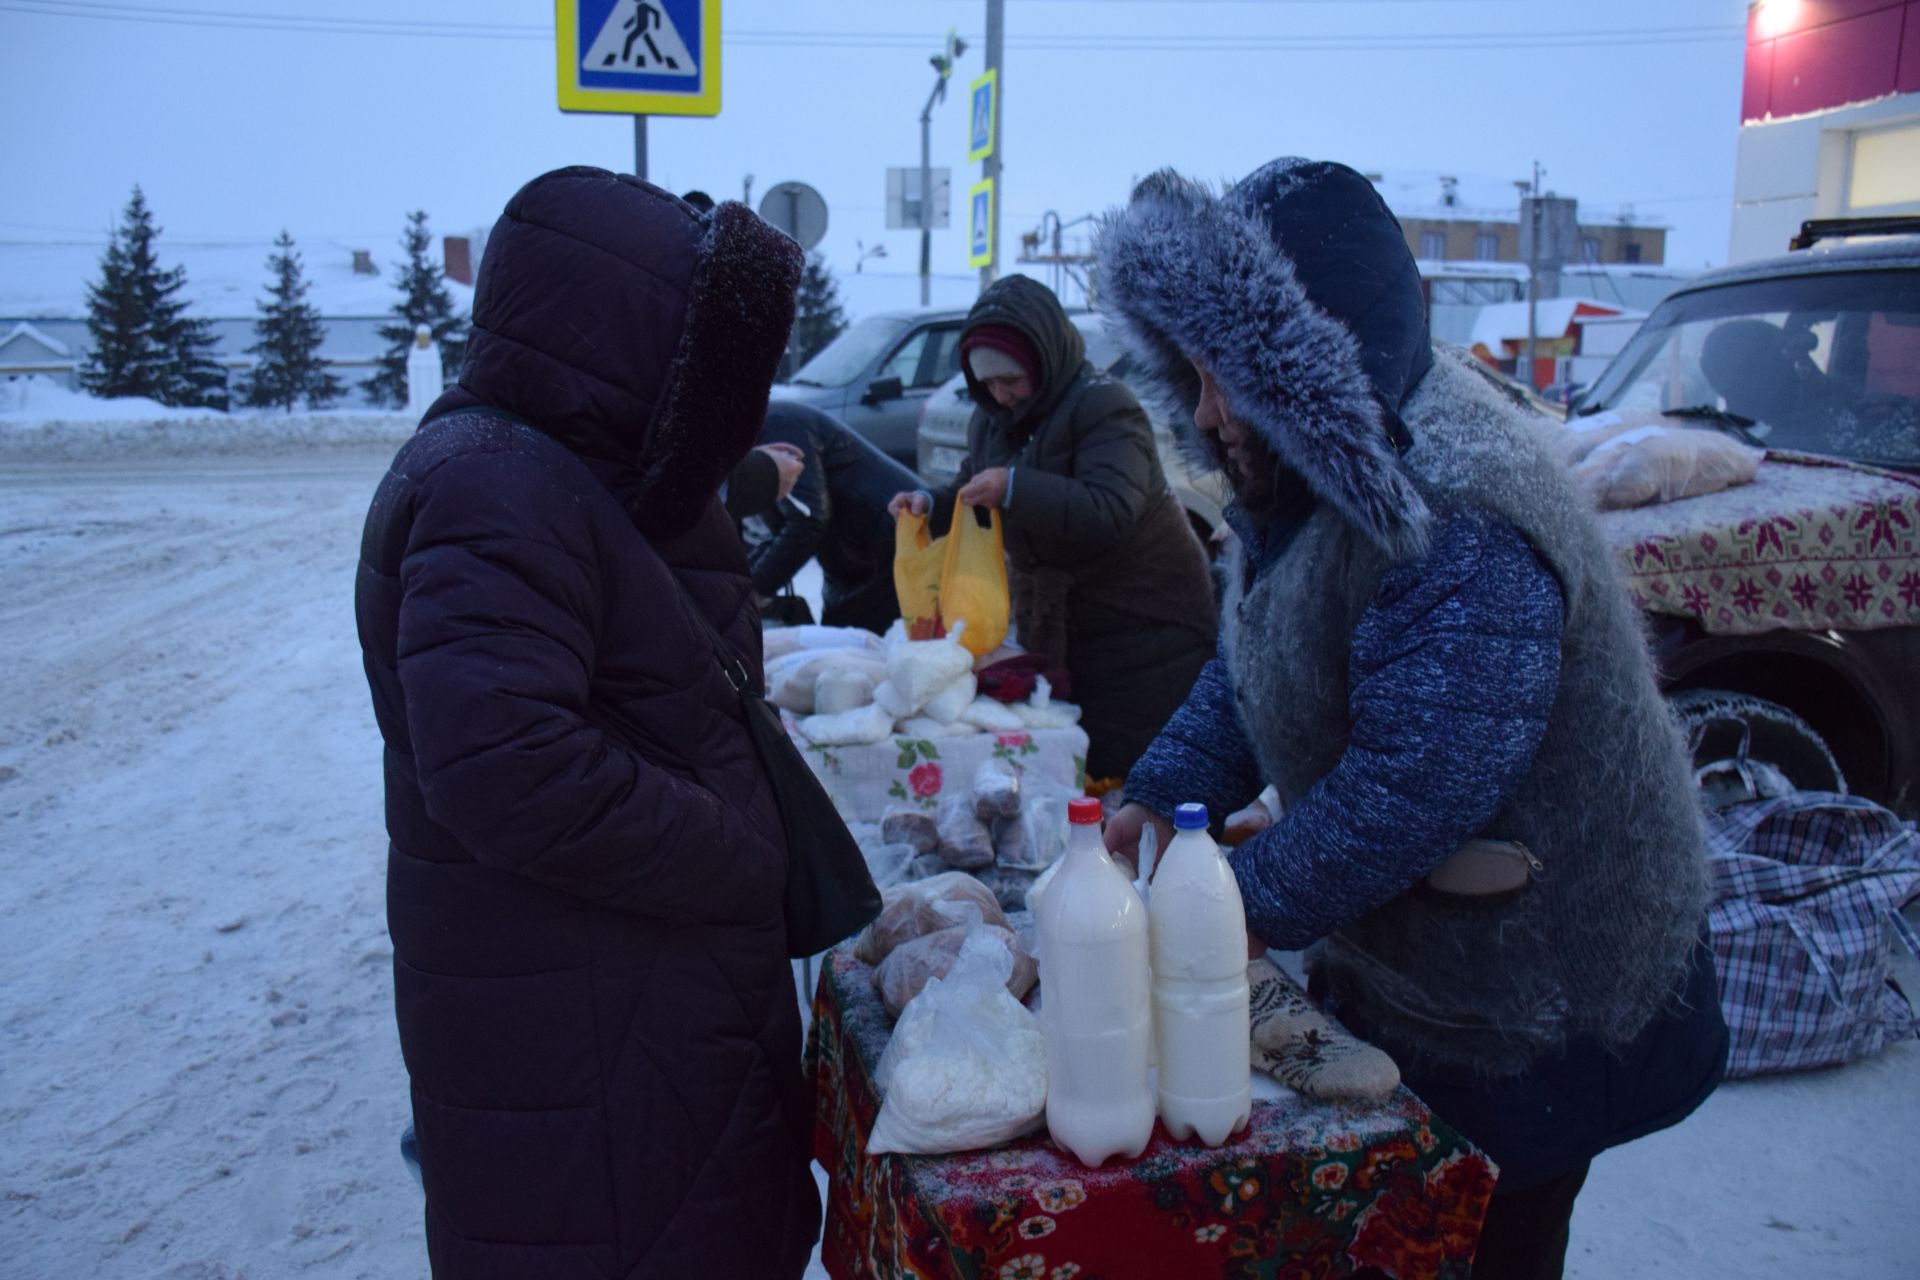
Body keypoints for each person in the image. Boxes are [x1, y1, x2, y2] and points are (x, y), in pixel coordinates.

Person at [1095, 159, 1728, 1279]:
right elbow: (1260, 656)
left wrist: (1235, 897)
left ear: (1308, 365)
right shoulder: (1313, 467)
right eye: (1191, 375)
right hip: (1436, 962)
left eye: (1222, 380)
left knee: (1491, 1239)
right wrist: (1161, 790)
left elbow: (1420, 779)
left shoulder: (1458, 509)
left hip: (1543, 990)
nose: (1202, 413)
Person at [354, 166, 819, 1279]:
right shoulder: (494, 486)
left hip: (617, 1015)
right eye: (705, 374)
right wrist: (734, 848)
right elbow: (506, 761)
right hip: (592, 1041)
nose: (715, 407)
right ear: (628, 347)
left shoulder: (548, 462)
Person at [888, 274, 1217, 783]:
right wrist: (929, 503)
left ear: (1044, 359)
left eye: (1011, 379)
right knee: (1080, 776)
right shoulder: (993, 417)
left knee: (1140, 780)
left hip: (1147, 634)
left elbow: (1111, 509)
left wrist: (1016, 487)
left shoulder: (1105, 406)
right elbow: (972, 485)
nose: (1002, 395)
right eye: (988, 384)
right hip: (1069, 630)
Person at [734, 400, 919, 633]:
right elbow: (790, 523)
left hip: (890, 548)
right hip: (855, 556)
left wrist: (756, 588)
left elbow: (808, 519)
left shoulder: (778, 424)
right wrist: (748, 583)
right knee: (846, 647)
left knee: (863, 651)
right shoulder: (754, 433)